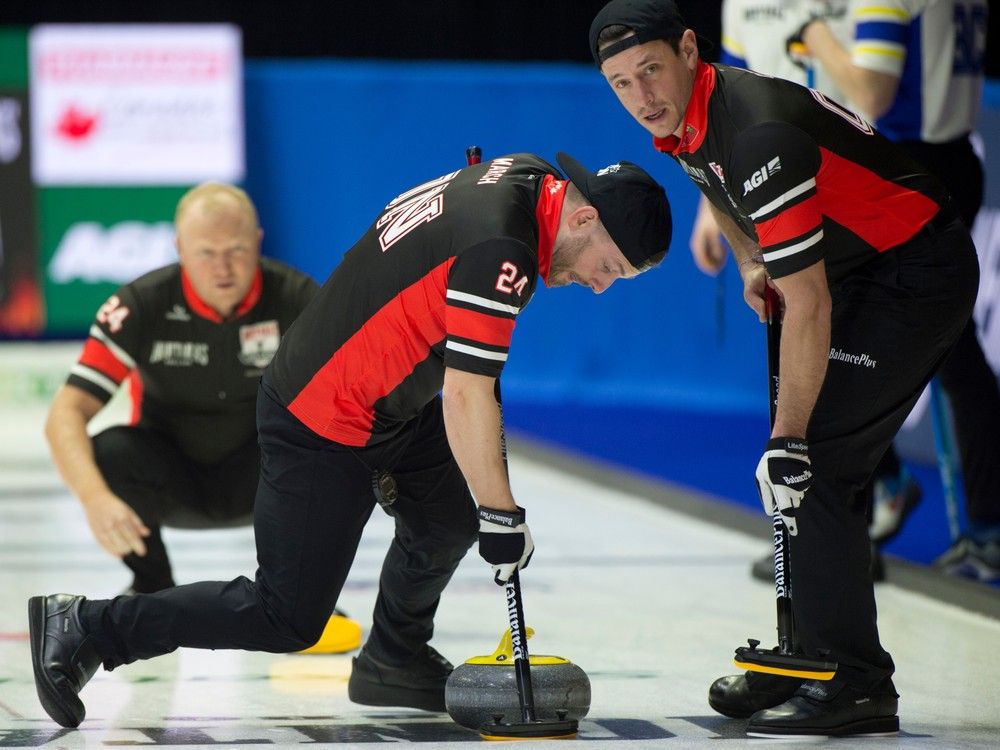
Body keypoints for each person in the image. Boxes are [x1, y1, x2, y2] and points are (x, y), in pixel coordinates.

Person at [28, 151, 673, 729]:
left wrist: (486, 509)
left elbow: (459, 368)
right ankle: (89, 626)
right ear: (585, 221)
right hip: (323, 413)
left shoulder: (525, 178)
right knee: (285, 617)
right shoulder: (503, 248)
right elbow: (468, 393)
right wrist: (503, 514)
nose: (598, 285)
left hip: (393, 397)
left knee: (448, 518)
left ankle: (392, 655)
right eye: (608, 268)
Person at [590, 0, 978, 738]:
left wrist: (789, 436)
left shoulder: (758, 131)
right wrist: (748, 260)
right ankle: (805, 652)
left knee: (812, 460)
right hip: (857, 266)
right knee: (801, 462)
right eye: (620, 84)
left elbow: (809, 303)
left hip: (914, 270)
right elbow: (714, 183)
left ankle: (857, 683)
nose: (642, 97)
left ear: (689, 48)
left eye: (649, 71)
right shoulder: (688, 116)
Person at [42, 183, 359, 653]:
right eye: (206, 252)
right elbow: (66, 412)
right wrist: (93, 498)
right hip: (172, 477)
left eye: (235, 250)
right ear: (179, 250)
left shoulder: (299, 299)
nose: (223, 268)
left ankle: (302, 595)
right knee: (110, 451)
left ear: (258, 240)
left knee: (330, 447)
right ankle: (151, 587)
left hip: (266, 476)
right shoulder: (140, 304)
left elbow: (358, 392)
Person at [710, 0, 923, 583]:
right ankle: (804, 538)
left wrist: (815, 34)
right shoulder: (740, 6)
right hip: (778, 189)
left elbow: (871, 96)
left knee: (837, 365)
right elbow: (720, 103)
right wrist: (717, 215)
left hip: (852, 186)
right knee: (797, 356)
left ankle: (840, 535)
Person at [791, 0, 998, 580]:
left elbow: (872, 94)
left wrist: (815, 36)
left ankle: (891, 493)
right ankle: (968, 517)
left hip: (914, 168)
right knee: (949, 351)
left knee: (869, 339)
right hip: (952, 156)